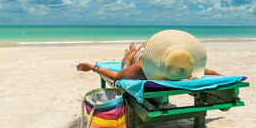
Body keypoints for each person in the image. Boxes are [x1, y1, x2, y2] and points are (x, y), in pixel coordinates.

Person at [76, 30, 221, 81]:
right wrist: (224, 78)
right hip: (153, 53)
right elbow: (207, 72)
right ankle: (132, 49)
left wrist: (92, 67)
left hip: (137, 59)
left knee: (127, 58)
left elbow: (118, 76)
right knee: (135, 51)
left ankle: (131, 50)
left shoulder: (141, 68)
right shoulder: (184, 66)